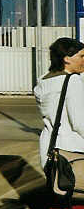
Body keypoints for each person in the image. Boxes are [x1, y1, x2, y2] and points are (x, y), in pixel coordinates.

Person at [34, 37, 84, 192]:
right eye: (81, 56)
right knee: (77, 204)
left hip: (50, 148)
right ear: (67, 59)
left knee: (57, 196)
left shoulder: (44, 81)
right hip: (72, 151)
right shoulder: (73, 82)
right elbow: (79, 123)